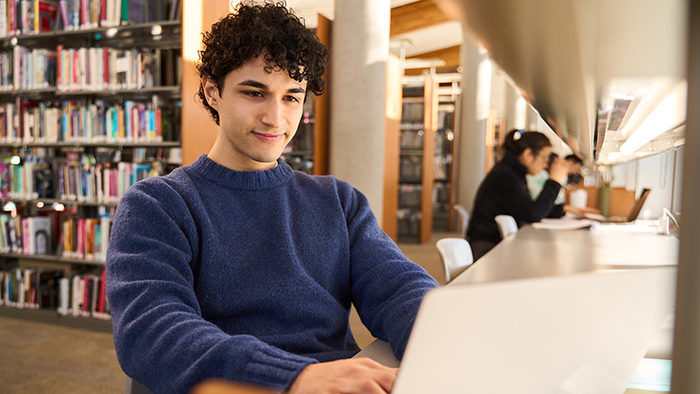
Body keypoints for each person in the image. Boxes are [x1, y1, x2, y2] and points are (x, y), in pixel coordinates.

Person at [105, 3, 438, 394]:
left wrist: (446, 337)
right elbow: (151, 329)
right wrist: (295, 377)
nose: (275, 118)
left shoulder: (338, 201)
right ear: (213, 91)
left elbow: (399, 287)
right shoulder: (157, 204)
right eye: (254, 92)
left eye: (291, 97)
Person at [466, 129, 595, 261]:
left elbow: (530, 208)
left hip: (496, 243)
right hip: (487, 247)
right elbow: (532, 215)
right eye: (544, 157)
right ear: (528, 154)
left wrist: (564, 209)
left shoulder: (513, 172)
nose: (546, 164)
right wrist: (554, 181)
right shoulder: (505, 176)